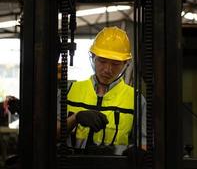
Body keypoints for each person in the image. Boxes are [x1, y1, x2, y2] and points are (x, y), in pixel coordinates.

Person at [57, 26, 146, 155]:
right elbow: (50, 136)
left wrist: (133, 152)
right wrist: (75, 118)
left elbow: (145, 144)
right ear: (93, 57)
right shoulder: (69, 92)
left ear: (126, 63)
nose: (107, 70)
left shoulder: (135, 100)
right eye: (102, 61)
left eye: (115, 64)